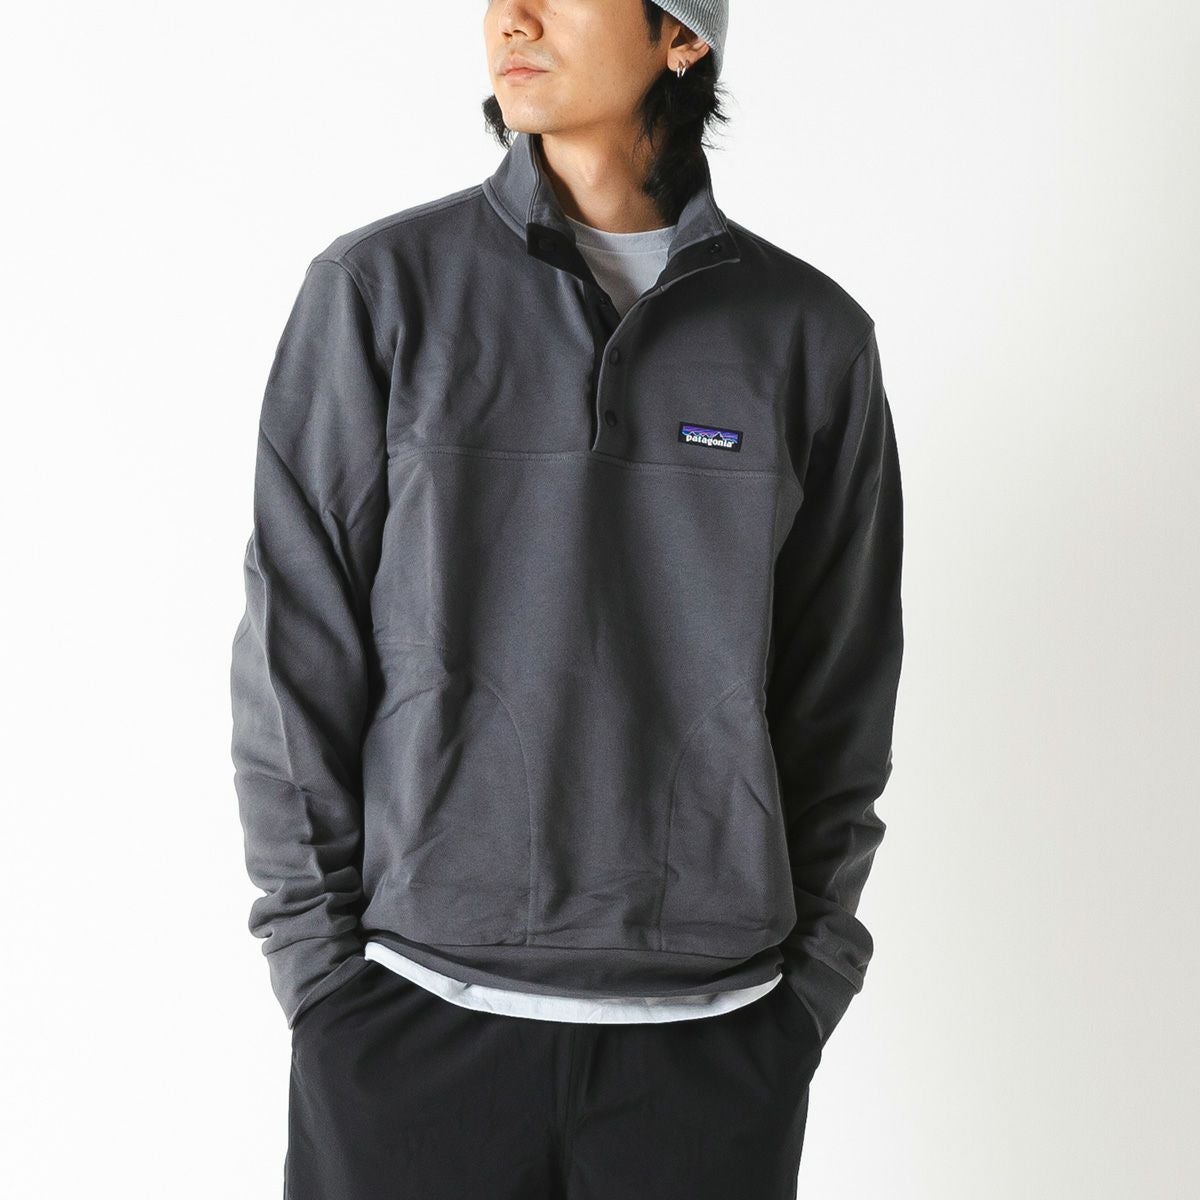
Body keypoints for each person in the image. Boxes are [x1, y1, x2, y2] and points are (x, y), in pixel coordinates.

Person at [229, 2, 905, 1196]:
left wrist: (810, 989)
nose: (513, 17)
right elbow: (297, 652)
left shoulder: (811, 340)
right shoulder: (380, 293)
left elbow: (839, 693)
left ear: (682, 36)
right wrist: (319, 978)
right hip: (410, 1019)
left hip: (711, 1044)